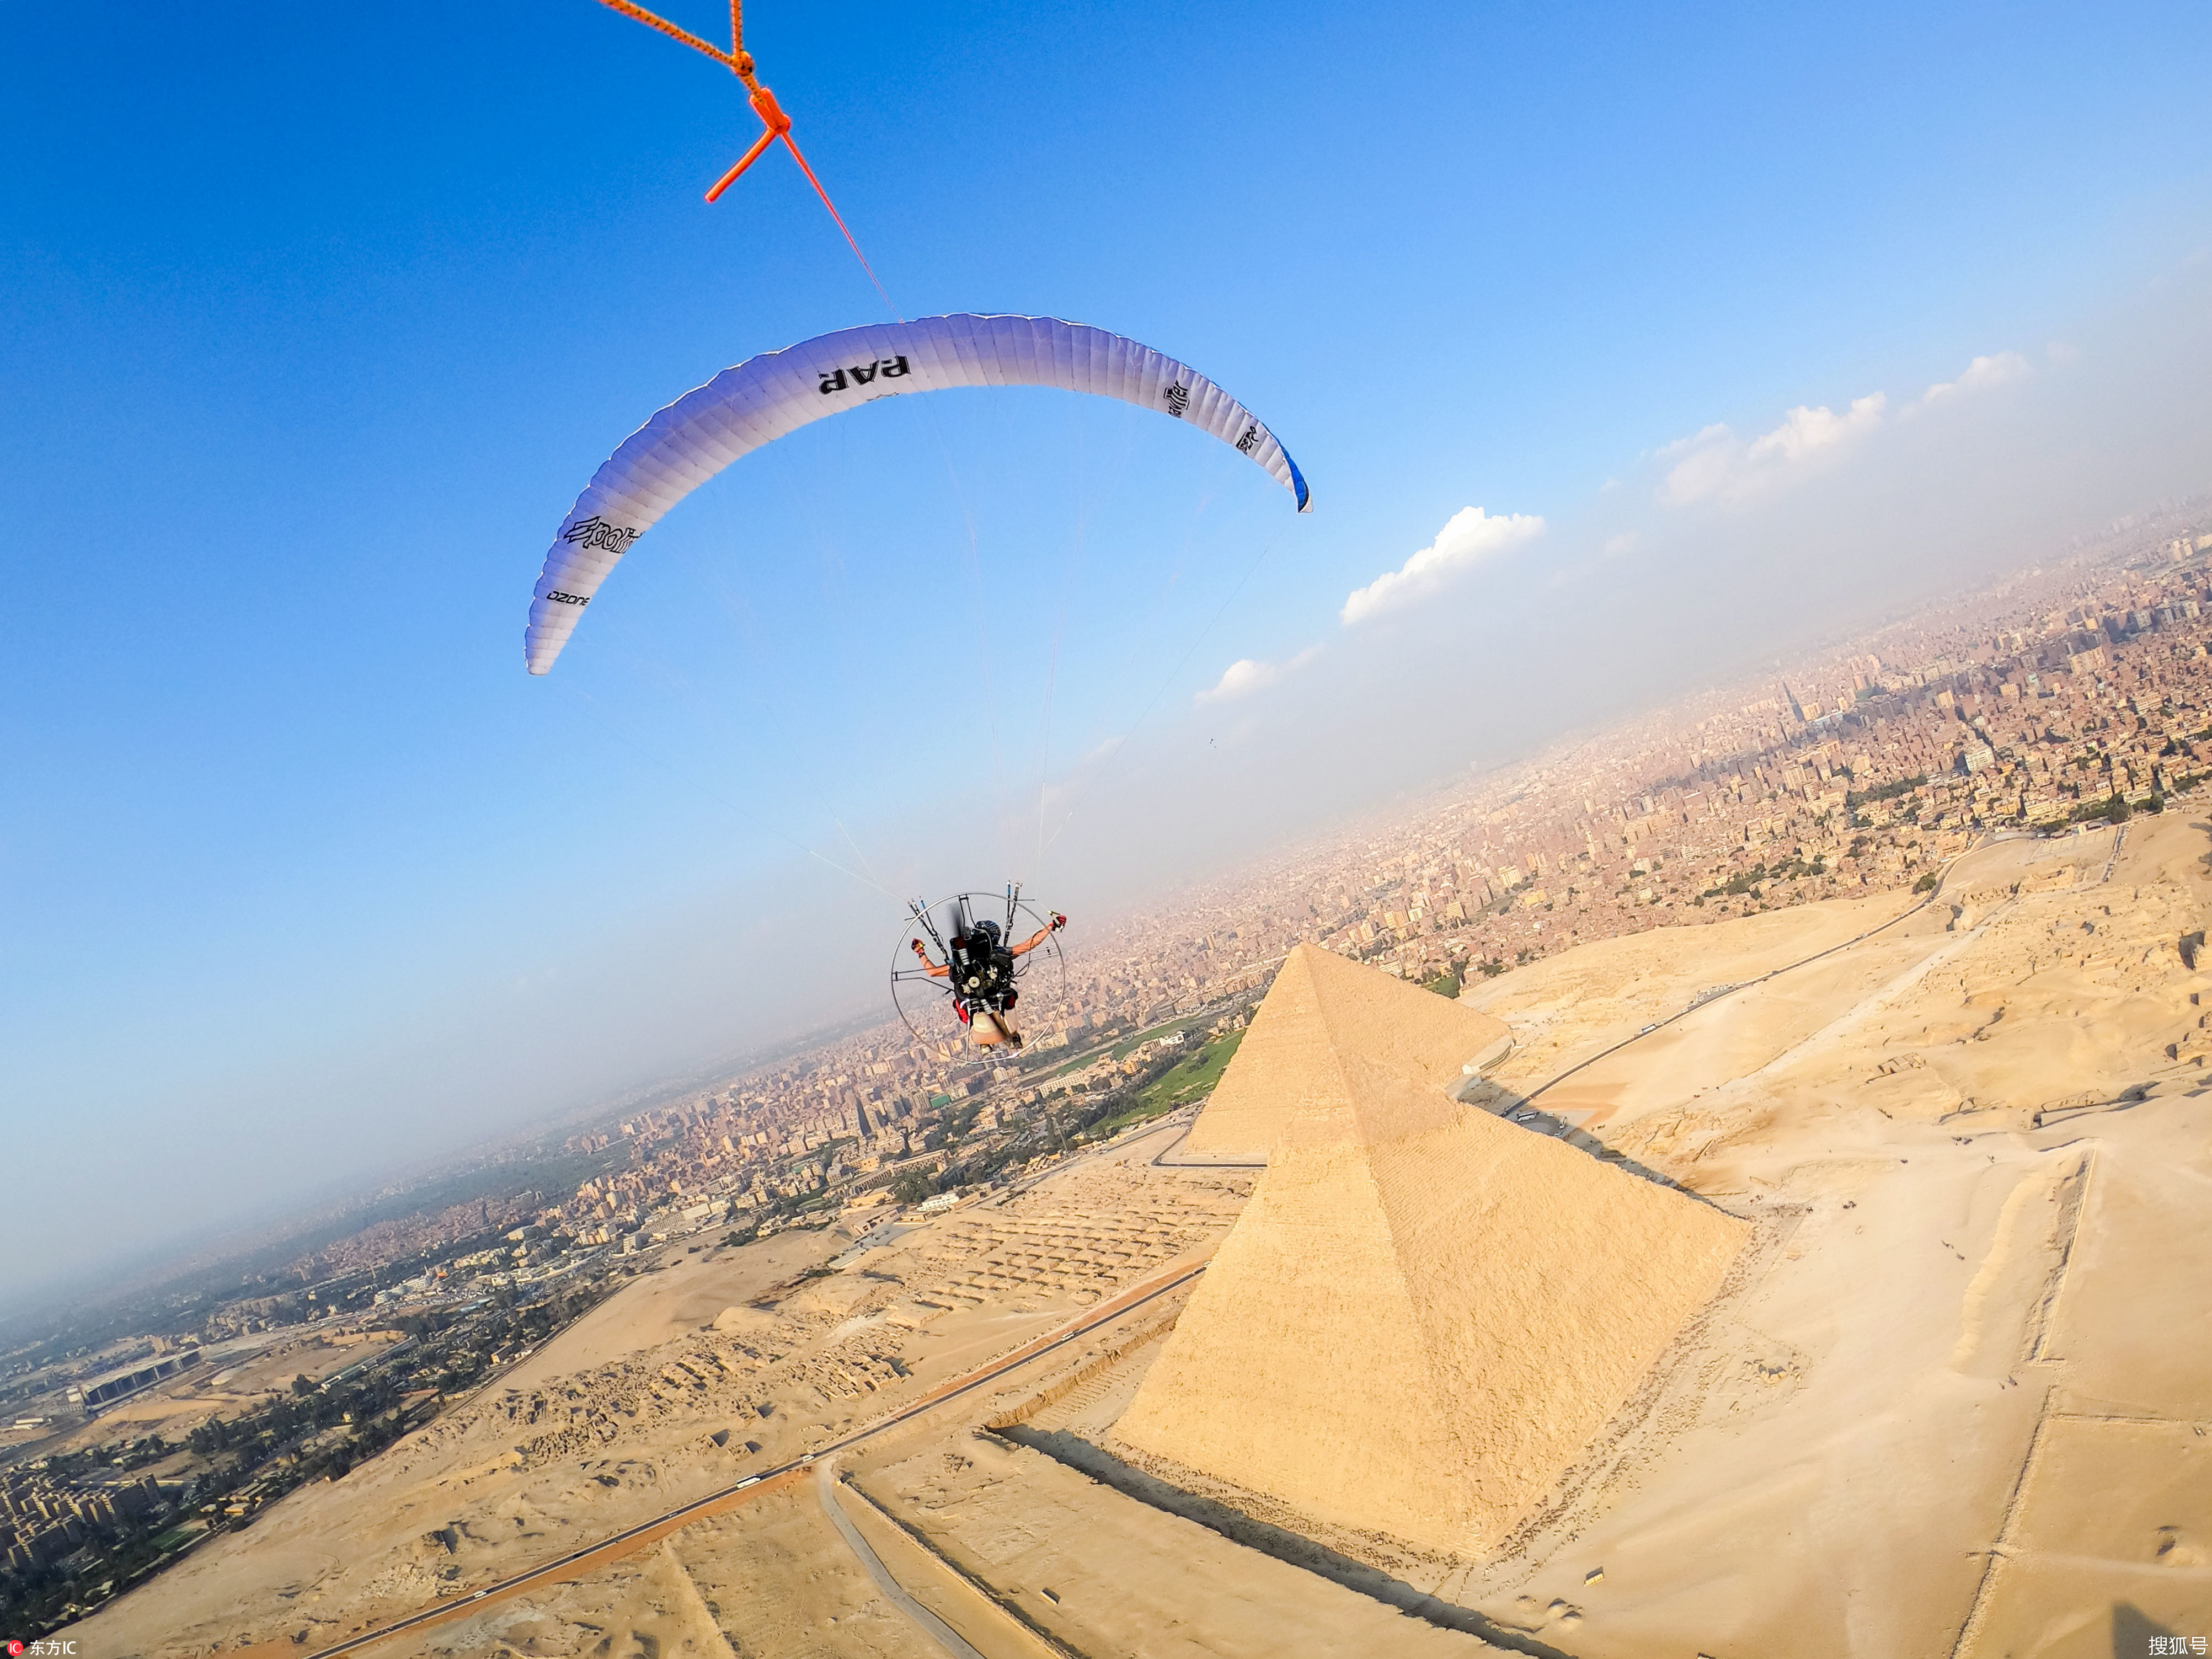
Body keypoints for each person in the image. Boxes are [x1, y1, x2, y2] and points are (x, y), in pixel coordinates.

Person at [911, 912, 1065, 1047]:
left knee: (964, 1004)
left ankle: (986, 1041)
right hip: (993, 1000)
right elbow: (1028, 945)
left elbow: (932, 972)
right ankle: (1012, 1035)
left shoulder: (964, 964)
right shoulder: (999, 955)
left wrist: (921, 952)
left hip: (973, 1004)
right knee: (1010, 995)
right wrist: (1051, 926)